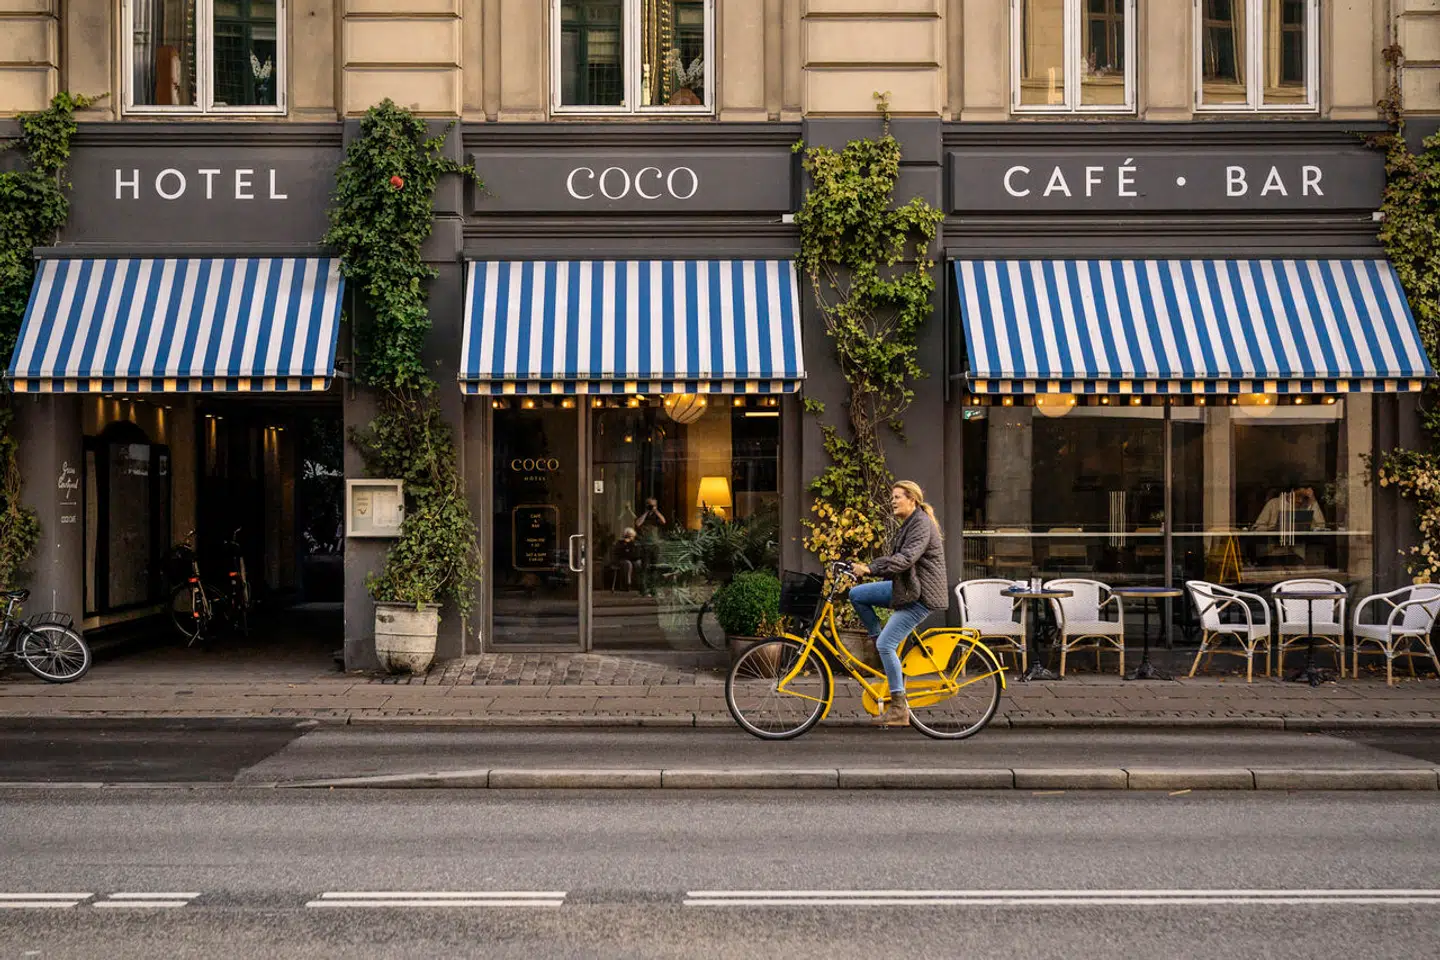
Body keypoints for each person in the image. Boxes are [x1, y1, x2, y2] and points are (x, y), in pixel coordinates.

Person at [849, 481, 949, 728]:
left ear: (912, 500)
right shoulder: (910, 523)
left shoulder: (921, 525)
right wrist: (859, 567)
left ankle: (898, 709)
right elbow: (897, 559)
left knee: (887, 644)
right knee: (857, 595)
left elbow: (904, 560)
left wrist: (871, 568)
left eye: (897, 497)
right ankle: (877, 640)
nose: (892, 501)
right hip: (907, 588)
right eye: (892, 497)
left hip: (921, 595)